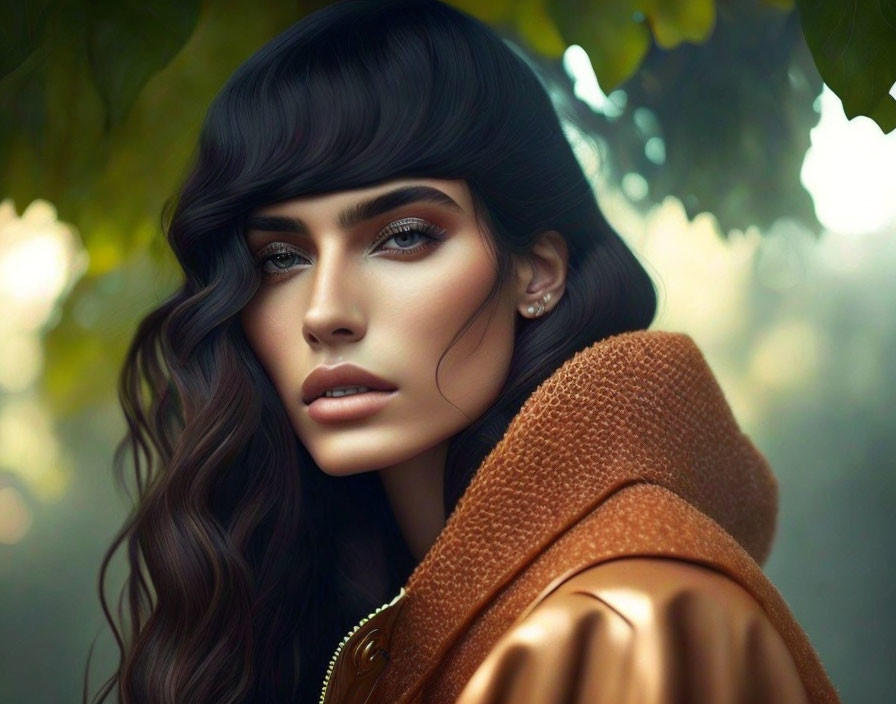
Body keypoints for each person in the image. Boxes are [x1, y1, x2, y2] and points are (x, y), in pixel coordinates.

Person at [86, 1, 842, 702]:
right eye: (282, 257)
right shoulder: (364, 595)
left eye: (404, 237)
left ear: (536, 272)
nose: (324, 313)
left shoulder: (622, 626)